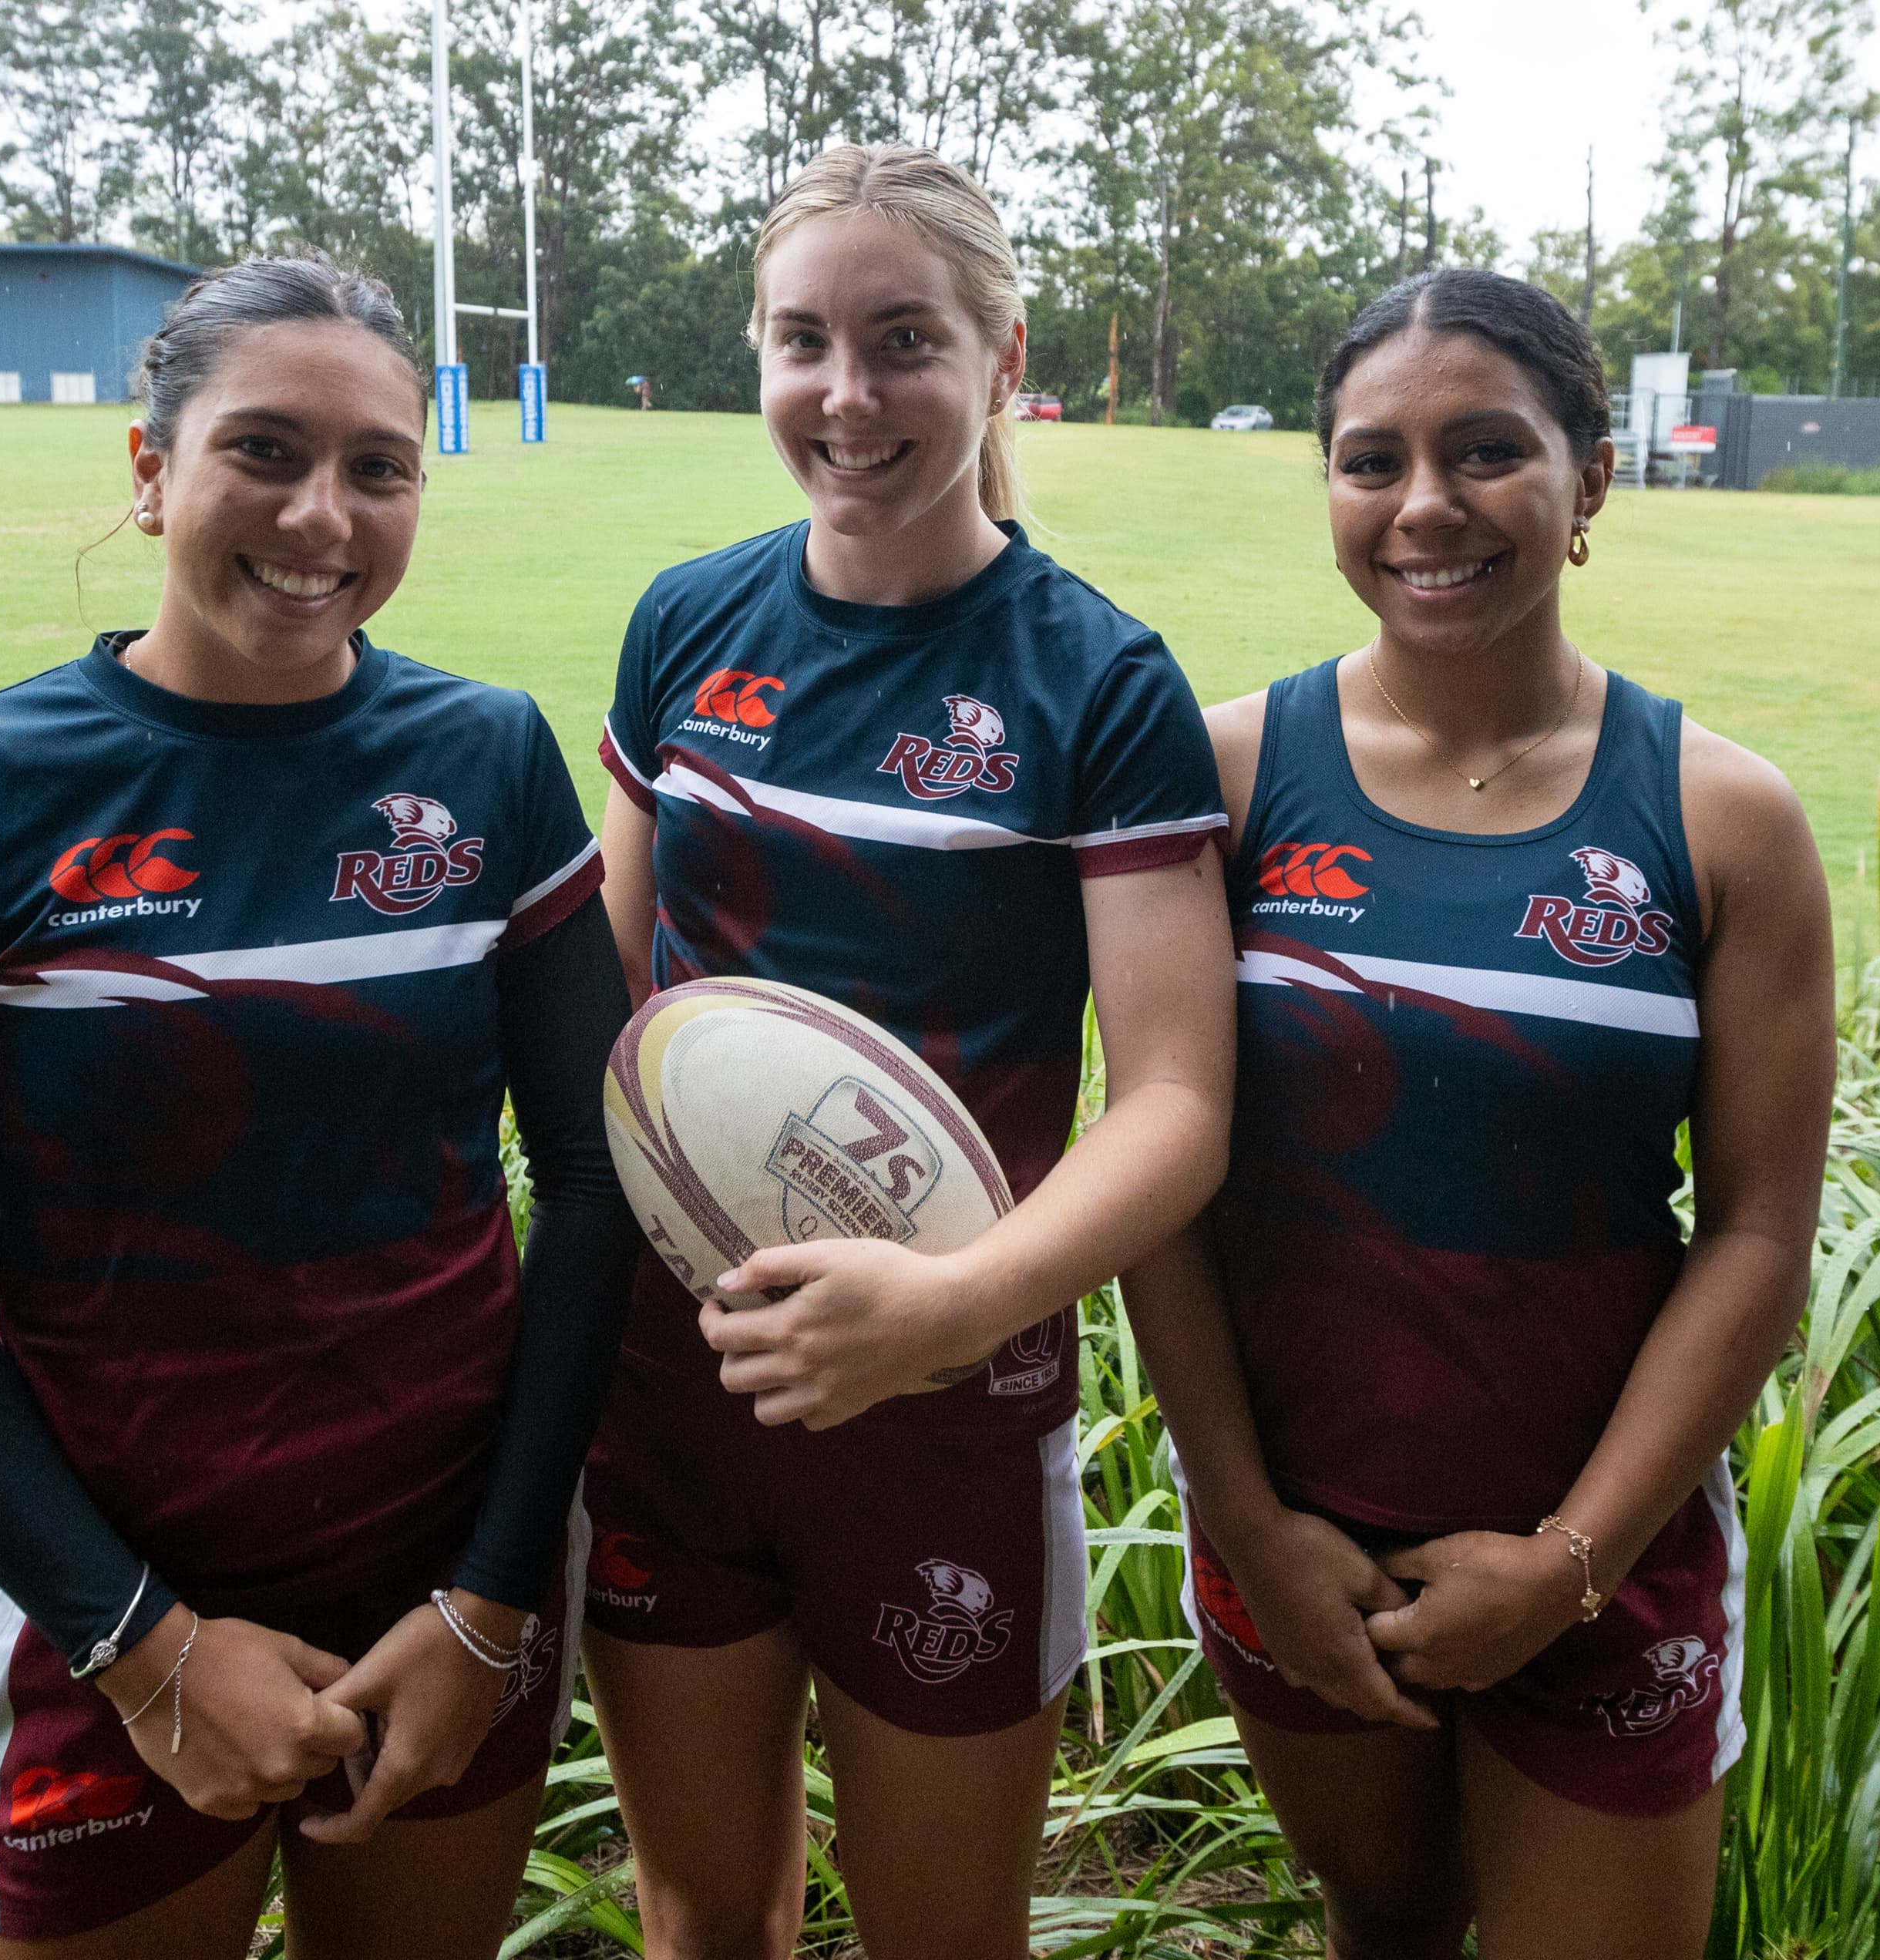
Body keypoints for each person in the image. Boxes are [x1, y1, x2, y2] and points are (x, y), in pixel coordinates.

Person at [0, 254, 640, 1959]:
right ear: (150, 467)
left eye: (378, 468)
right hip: (109, 1612)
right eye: (265, 450)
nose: (323, 516)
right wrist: (145, 1649)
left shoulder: (486, 760)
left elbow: (594, 1173)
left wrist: (490, 1601)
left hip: (443, 1601)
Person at [1121, 267, 1835, 1959]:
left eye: (1488, 451)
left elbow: (1756, 1232)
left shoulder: (1724, 820)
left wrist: (1574, 1562)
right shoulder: (1221, 780)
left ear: (1592, 480)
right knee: (1386, 1925)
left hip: (1606, 1558)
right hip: (1302, 1548)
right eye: (1372, 462)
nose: (1425, 506)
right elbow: (1156, 1174)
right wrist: (1250, 1526)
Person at [582, 144, 1239, 1960]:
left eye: (903, 342)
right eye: (803, 341)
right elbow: (610, 1003)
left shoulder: (1098, 681)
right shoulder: (685, 624)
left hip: (952, 1403)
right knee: (705, 1920)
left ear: (1002, 356)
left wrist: (954, 1308)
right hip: (676, 1391)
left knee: (946, 1935)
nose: (847, 395)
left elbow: (1178, 1102)